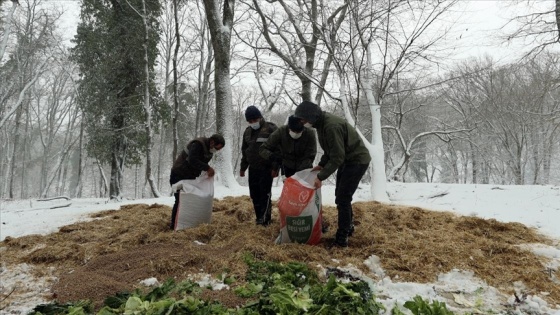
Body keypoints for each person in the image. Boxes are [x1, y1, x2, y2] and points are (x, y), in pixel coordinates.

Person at [294, 101, 371, 247]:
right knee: (341, 196)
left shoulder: (331, 126)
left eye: (303, 120)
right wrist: (322, 164)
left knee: (343, 198)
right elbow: (330, 150)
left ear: (311, 116)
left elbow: (337, 156)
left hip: (356, 160)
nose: (303, 123)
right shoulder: (321, 125)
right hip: (346, 160)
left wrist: (321, 176)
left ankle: (342, 240)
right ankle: (348, 228)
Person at [169, 134, 225, 229]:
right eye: (217, 148)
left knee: (189, 200)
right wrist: (207, 168)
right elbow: (193, 160)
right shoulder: (198, 144)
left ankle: (189, 224)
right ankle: (174, 226)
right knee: (180, 200)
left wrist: (205, 174)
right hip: (179, 174)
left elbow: (200, 164)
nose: (217, 150)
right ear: (212, 142)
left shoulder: (209, 151)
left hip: (190, 176)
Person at [240, 105, 278, 226]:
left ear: (260, 117)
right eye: (250, 121)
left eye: (254, 120)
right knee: (254, 194)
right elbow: (245, 150)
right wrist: (243, 167)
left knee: (265, 194)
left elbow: (278, 150)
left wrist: (275, 167)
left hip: (266, 168)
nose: (253, 123)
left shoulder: (271, 128)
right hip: (253, 168)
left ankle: (266, 220)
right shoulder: (247, 132)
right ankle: (259, 218)